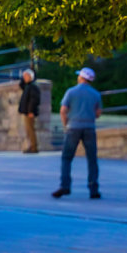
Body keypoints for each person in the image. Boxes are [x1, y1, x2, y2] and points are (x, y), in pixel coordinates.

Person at [52, 67, 102, 199]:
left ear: (81, 77)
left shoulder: (71, 92)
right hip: (89, 127)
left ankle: (65, 186)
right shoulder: (96, 94)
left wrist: (66, 125)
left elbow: (63, 110)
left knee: (67, 158)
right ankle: (93, 187)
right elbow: (98, 113)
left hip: (73, 127)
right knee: (92, 159)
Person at [18, 68, 40, 154]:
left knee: (30, 130)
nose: (24, 78)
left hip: (30, 112)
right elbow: (21, 85)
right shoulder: (28, 86)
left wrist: (31, 111)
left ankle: (34, 147)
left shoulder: (33, 87)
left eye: (26, 76)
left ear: (31, 77)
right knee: (28, 130)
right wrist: (23, 78)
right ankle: (31, 146)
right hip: (27, 111)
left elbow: (34, 100)